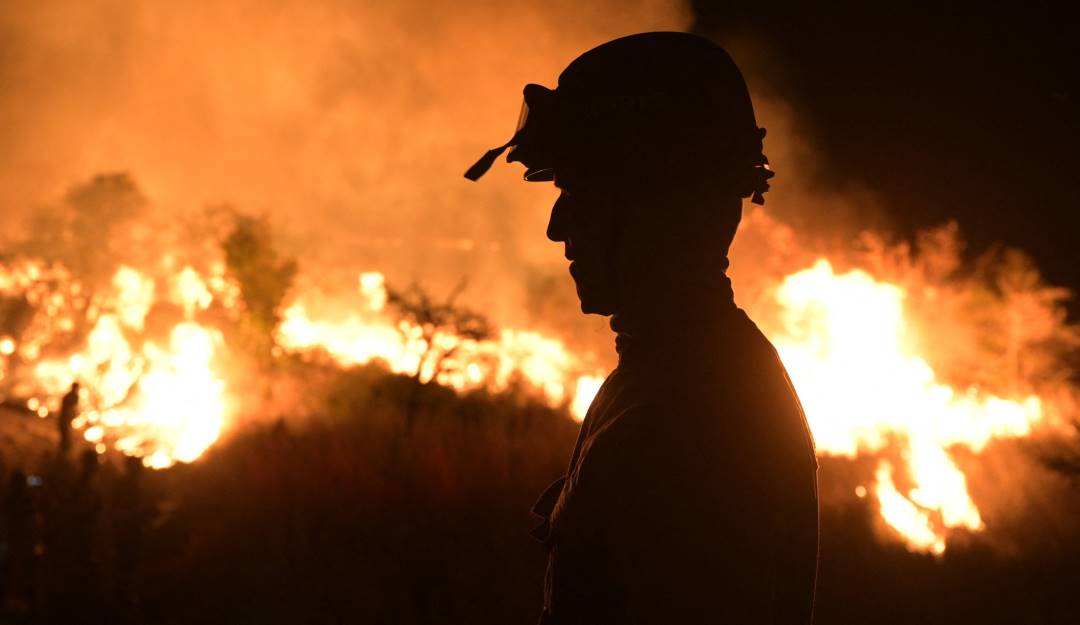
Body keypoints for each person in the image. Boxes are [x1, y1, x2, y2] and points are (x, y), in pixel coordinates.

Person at [467, 32, 819, 624]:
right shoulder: (666, 376)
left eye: (579, 190)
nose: (557, 227)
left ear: (663, 203)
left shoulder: (694, 419)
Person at [58, 382, 80, 455]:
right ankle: (64, 453)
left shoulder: (68, 396)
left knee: (65, 436)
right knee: (66, 437)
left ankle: (63, 452)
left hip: (65, 418)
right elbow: (72, 409)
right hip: (65, 419)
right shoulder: (73, 396)